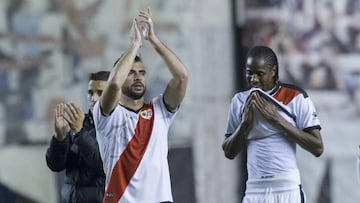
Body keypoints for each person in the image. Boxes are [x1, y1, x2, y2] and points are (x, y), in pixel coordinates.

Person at [92, 8, 188, 203]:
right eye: (132, 72)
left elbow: (182, 76)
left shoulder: (160, 111)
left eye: (142, 73)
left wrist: (154, 41)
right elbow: (114, 85)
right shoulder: (107, 116)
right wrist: (135, 45)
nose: (138, 77)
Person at [222, 45, 324, 203]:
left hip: (287, 189)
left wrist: (278, 119)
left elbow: (317, 147)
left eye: (260, 74)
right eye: (249, 73)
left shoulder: (295, 96)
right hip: (254, 189)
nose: (253, 79)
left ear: (273, 71)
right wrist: (244, 125)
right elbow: (229, 152)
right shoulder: (240, 100)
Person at [46, 71, 110, 203]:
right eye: (90, 92)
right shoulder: (78, 122)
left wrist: (80, 132)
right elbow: (55, 165)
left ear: (114, 95)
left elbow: (105, 165)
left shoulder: (121, 126)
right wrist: (60, 138)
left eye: (100, 93)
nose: (93, 98)